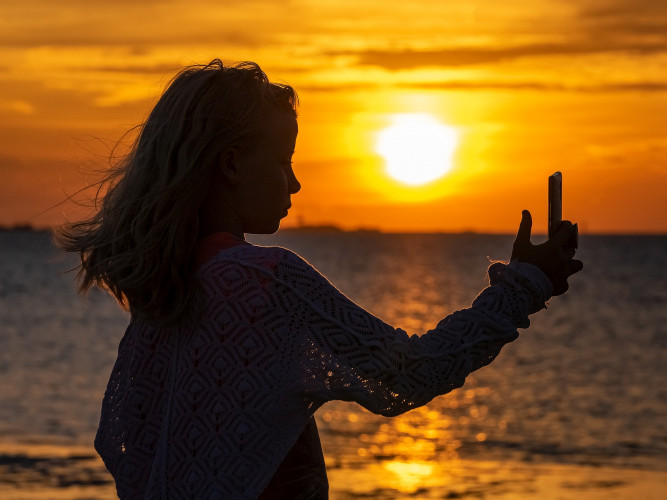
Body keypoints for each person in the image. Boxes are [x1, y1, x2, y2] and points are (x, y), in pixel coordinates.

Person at [56, 59, 582, 499]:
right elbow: (407, 374)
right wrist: (523, 286)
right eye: (284, 161)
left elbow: (122, 442)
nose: (296, 182)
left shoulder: (160, 299)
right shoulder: (265, 281)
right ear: (232, 165)